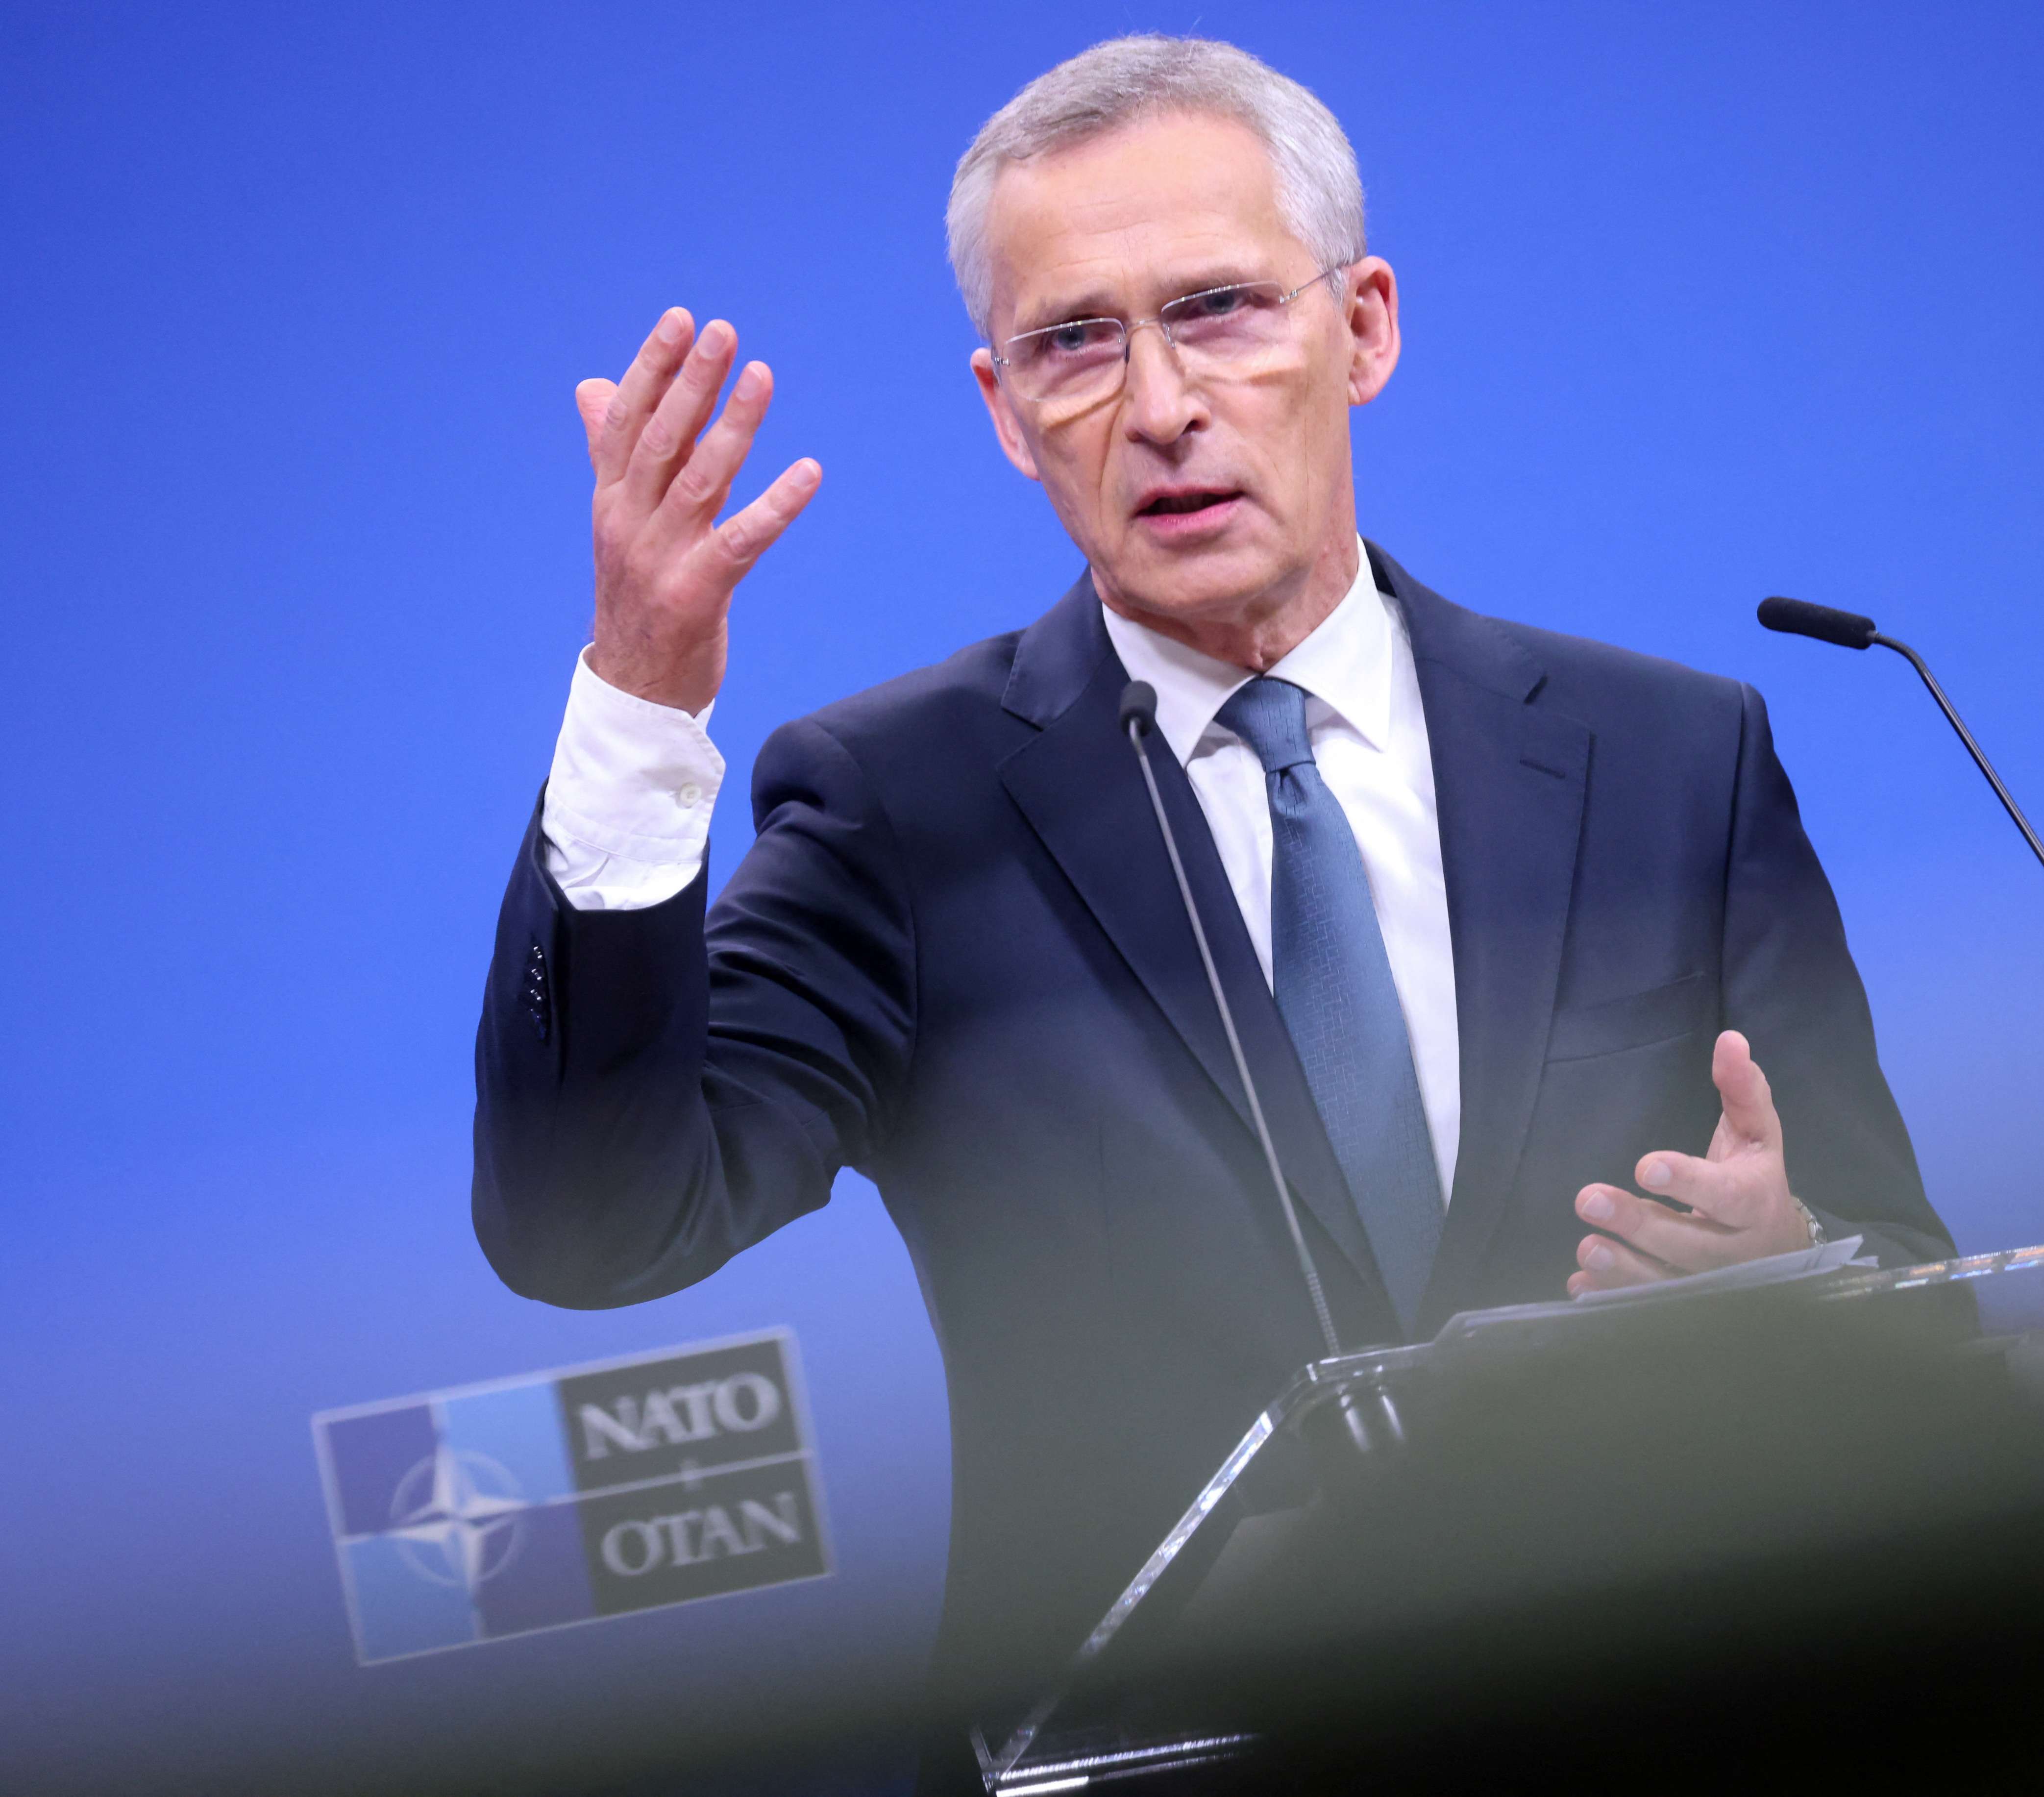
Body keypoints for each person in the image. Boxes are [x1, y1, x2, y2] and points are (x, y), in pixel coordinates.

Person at [473, 31, 1948, 1759]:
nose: (1158, 402)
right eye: (1074, 342)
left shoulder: (1670, 755)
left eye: (1222, 309)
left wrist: (1801, 1262)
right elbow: (597, 1228)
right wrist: (642, 703)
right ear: (1004, 412)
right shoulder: (898, 810)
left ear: (1365, 327)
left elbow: (1910, 1268)